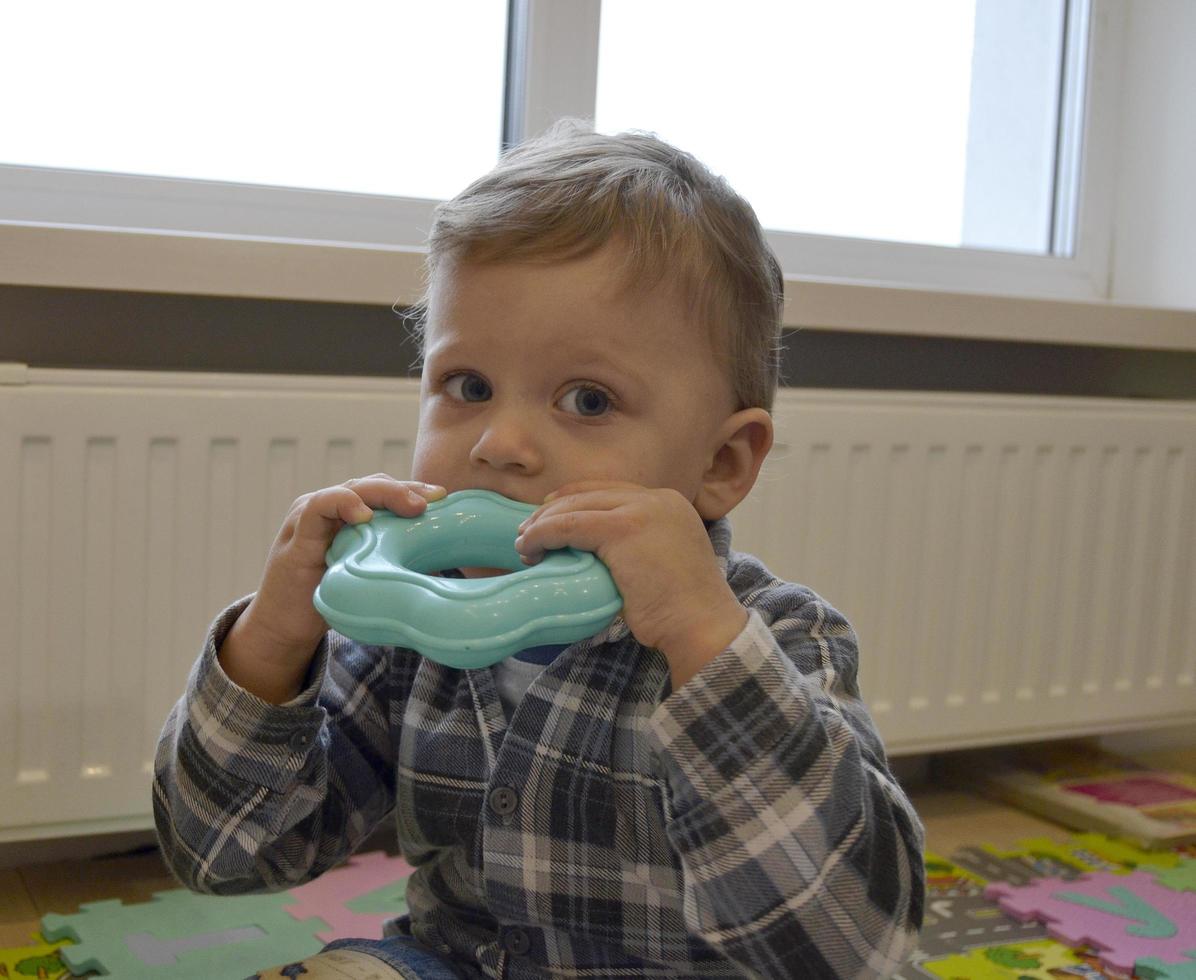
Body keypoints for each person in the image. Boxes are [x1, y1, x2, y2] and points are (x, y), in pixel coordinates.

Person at [153, 120, 925, 979]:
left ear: (720, 462)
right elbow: (224, 854)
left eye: (588, 401)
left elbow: (854, 947)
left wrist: (704, 641)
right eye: (468, 387)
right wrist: (270, 641)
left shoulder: (780, 639)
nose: (501, 443)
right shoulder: (407, 635)